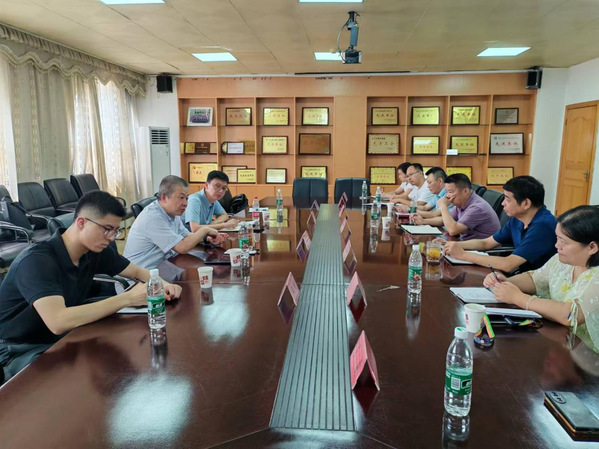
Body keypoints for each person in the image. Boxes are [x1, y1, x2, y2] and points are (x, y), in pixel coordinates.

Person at [0, 191, 182, 382]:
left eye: (115, 231)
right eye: (107, 229)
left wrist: (165, 284)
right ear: (81, 223)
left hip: (64, 335)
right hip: (19, 348)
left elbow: (136, 271)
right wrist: (127, 298)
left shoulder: (93, 250)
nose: (111, 238)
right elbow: (58, 321)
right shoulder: (36, 261)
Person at [484, 205, 599, 351]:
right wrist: (506, 282)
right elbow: (535, 278)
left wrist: (518, 298)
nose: (557, 245)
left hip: (587, 354)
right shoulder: (562, 261)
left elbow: (571, 315)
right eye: (557, 238)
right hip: (559, 341)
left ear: (592, 247)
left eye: (564, 242)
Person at [444, 176, 557, 272]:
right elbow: (486, 243)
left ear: (526, 203)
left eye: (507, 199)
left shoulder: (542, 226)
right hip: (523, 275)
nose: (503, 203)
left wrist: (463, 255)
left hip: (538, 283)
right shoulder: (517, 219)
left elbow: (508, 264)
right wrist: (451, 245)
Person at [124, 175, 228, 270]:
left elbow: (186, 236)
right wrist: (205, 230)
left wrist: (207, 238)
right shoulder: (152, 217)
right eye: (181, 198)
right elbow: (181, 247)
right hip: (143, 276)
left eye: (186, 198)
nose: (185, 203)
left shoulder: (172, 212)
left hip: (167, 266)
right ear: (164, 197)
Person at [412, 173, 500, 240]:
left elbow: (453, 230)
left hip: (482, 252)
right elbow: (444, 220)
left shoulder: (477, 207)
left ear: (465, 191)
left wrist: (443, 206)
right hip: (465, 244)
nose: (447, 196)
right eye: (446, 192)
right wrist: (423, 221)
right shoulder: (461, 203)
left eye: (450, 192)